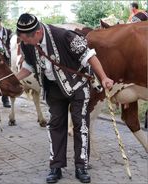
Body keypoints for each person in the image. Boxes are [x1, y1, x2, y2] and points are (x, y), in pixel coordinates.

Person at [15, 13, 114, 184]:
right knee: (56, 125)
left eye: (25, 39)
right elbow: (29, 66)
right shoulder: (27, 45)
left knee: (79, 124)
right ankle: (56, 166)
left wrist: (104, 77)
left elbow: (89, 56)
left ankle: (81, 166)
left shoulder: (64, 36)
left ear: (37, 33)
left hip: (78, 87)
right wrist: (12, 79)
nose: (23, 43)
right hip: (53, 89)